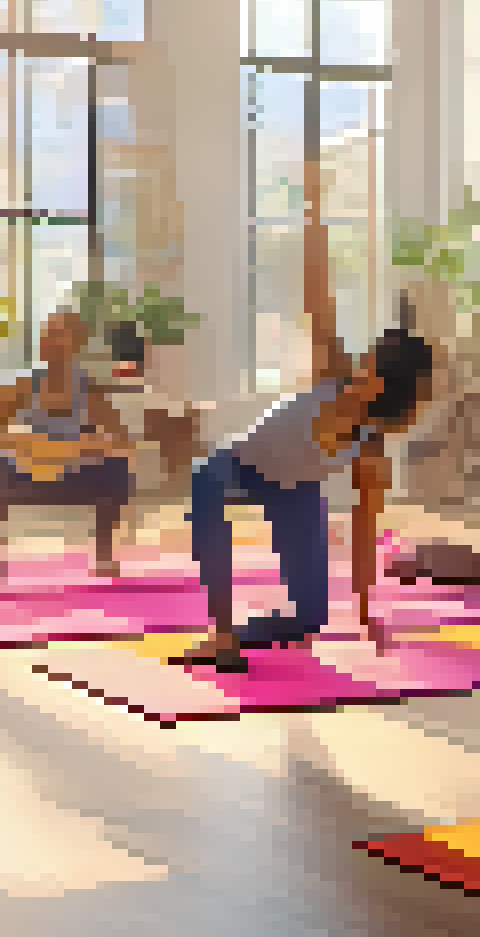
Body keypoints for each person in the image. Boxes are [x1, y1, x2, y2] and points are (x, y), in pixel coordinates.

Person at [174, 159, 438, 673]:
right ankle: (221, 634)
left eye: (371, 361)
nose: (360, 363)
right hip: (240, 463)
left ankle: (260, 628)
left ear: (382, 383)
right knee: (206, 482)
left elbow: (366, 533)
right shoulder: (334, 372)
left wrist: (365, 612)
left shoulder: (371, 449)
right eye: (365, 357)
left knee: (312, 613)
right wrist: (313, 207)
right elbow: (319, 298)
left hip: (293, 491)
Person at [0, 307, 137, 585]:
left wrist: (87, 443)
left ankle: (104, 554)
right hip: (26, 475)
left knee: (117, 465)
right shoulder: (20, 386)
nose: (51, 342)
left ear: (76, 343)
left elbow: (123, 439)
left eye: (60, 335)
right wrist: (22, 440)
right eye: (48, 335)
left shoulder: (89, 390)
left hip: (73, 476)